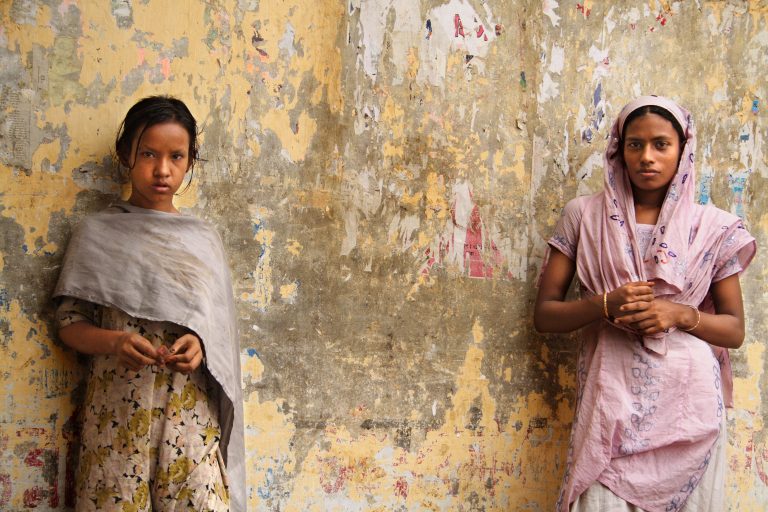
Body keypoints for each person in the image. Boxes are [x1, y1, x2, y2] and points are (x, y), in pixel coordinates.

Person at [534, 96, 756, 511]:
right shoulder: (583, 216)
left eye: (661, 144)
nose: (647, 157)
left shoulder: (715, 226)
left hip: (689, 409)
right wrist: (604, 305)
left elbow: (734, 330)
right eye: (634, 144)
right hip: (611, 398)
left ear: (682, 150)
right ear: (619, 150)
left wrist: (681, 314)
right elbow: (545, 315)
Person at [53, 96, 245, 511]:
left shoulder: (203, 241)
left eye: (176, 156)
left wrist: (201, 346)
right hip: (116, 420)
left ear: (191, 161)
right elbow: (69, 324)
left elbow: (220, 334)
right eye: (148, 154)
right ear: (127, 155)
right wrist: (114, 343)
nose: (162, 169)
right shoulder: (97, 233)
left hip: (189, 422)